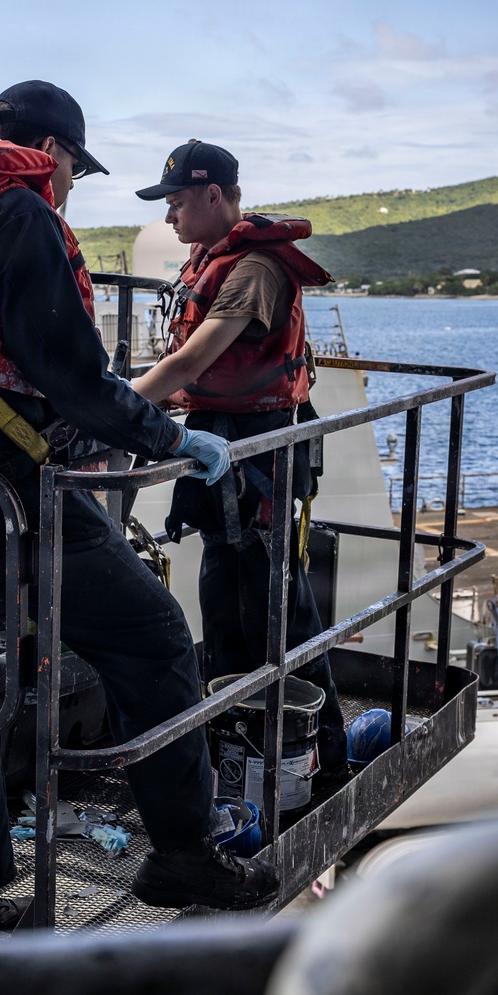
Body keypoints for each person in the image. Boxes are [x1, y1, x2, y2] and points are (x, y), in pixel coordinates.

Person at [0, 83, 279, 928]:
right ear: (53, 150)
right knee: (149, 639)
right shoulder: (18, 211)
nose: (70, 183)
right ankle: (183, 853)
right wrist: (177, 441)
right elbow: (75, 380)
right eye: (75, 166)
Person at [131, 140, 348, 785]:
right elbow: (194, 375)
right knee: (222, 593)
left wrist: (104, 412)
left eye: (175, 202)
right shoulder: (210, 259)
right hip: (218, 439)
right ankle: (232, 743)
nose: (169, 216)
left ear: (214, 196)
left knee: (278, 601)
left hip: (263, 446)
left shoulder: (254, 270)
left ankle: (323, 749)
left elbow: (190, 362)